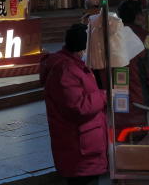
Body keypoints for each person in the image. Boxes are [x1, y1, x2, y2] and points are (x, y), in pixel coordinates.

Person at [40, 24, 107, 185]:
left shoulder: (74, 64)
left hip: (85, 146)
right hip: (79, 149)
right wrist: (104, 95)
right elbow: (78, 106)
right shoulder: (66, 69)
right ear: (84, 47)